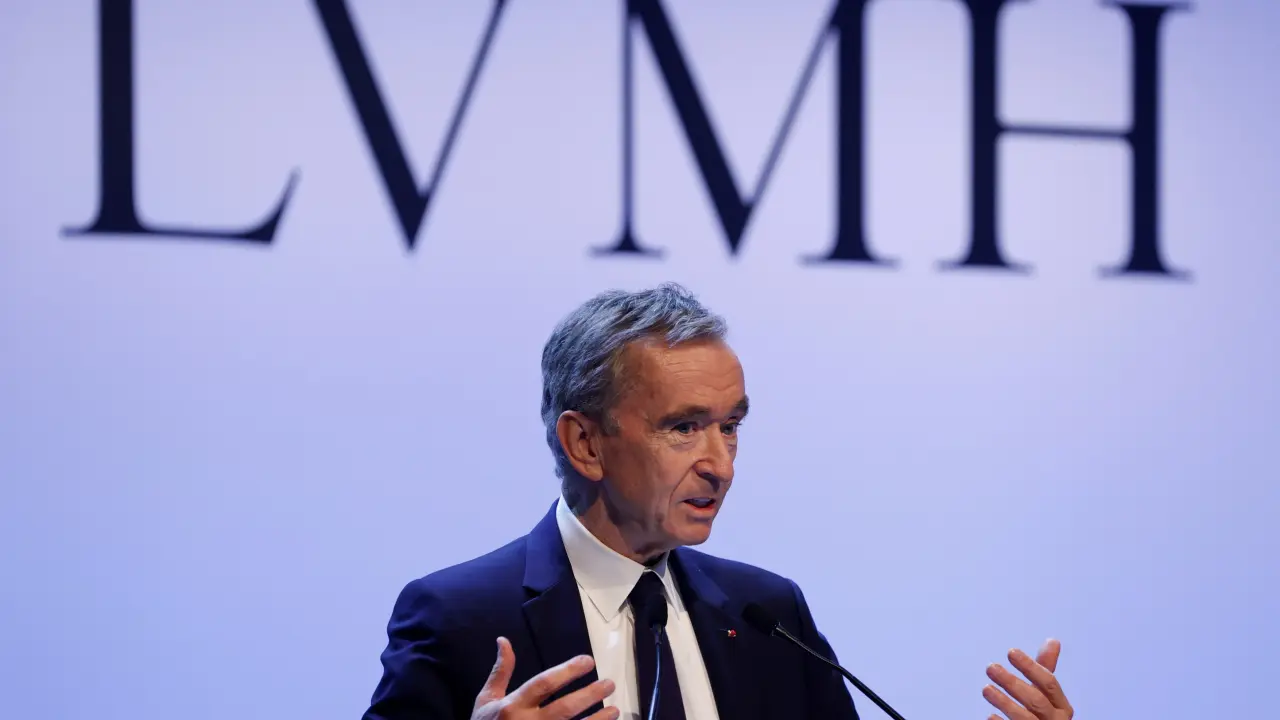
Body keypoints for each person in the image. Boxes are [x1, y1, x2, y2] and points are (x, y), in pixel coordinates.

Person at [362, 283, 1075, 720]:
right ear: (585, 443)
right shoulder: (460, 617)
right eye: (684, 428)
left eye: (730, 426)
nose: (721, 465)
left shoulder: (768, 614)